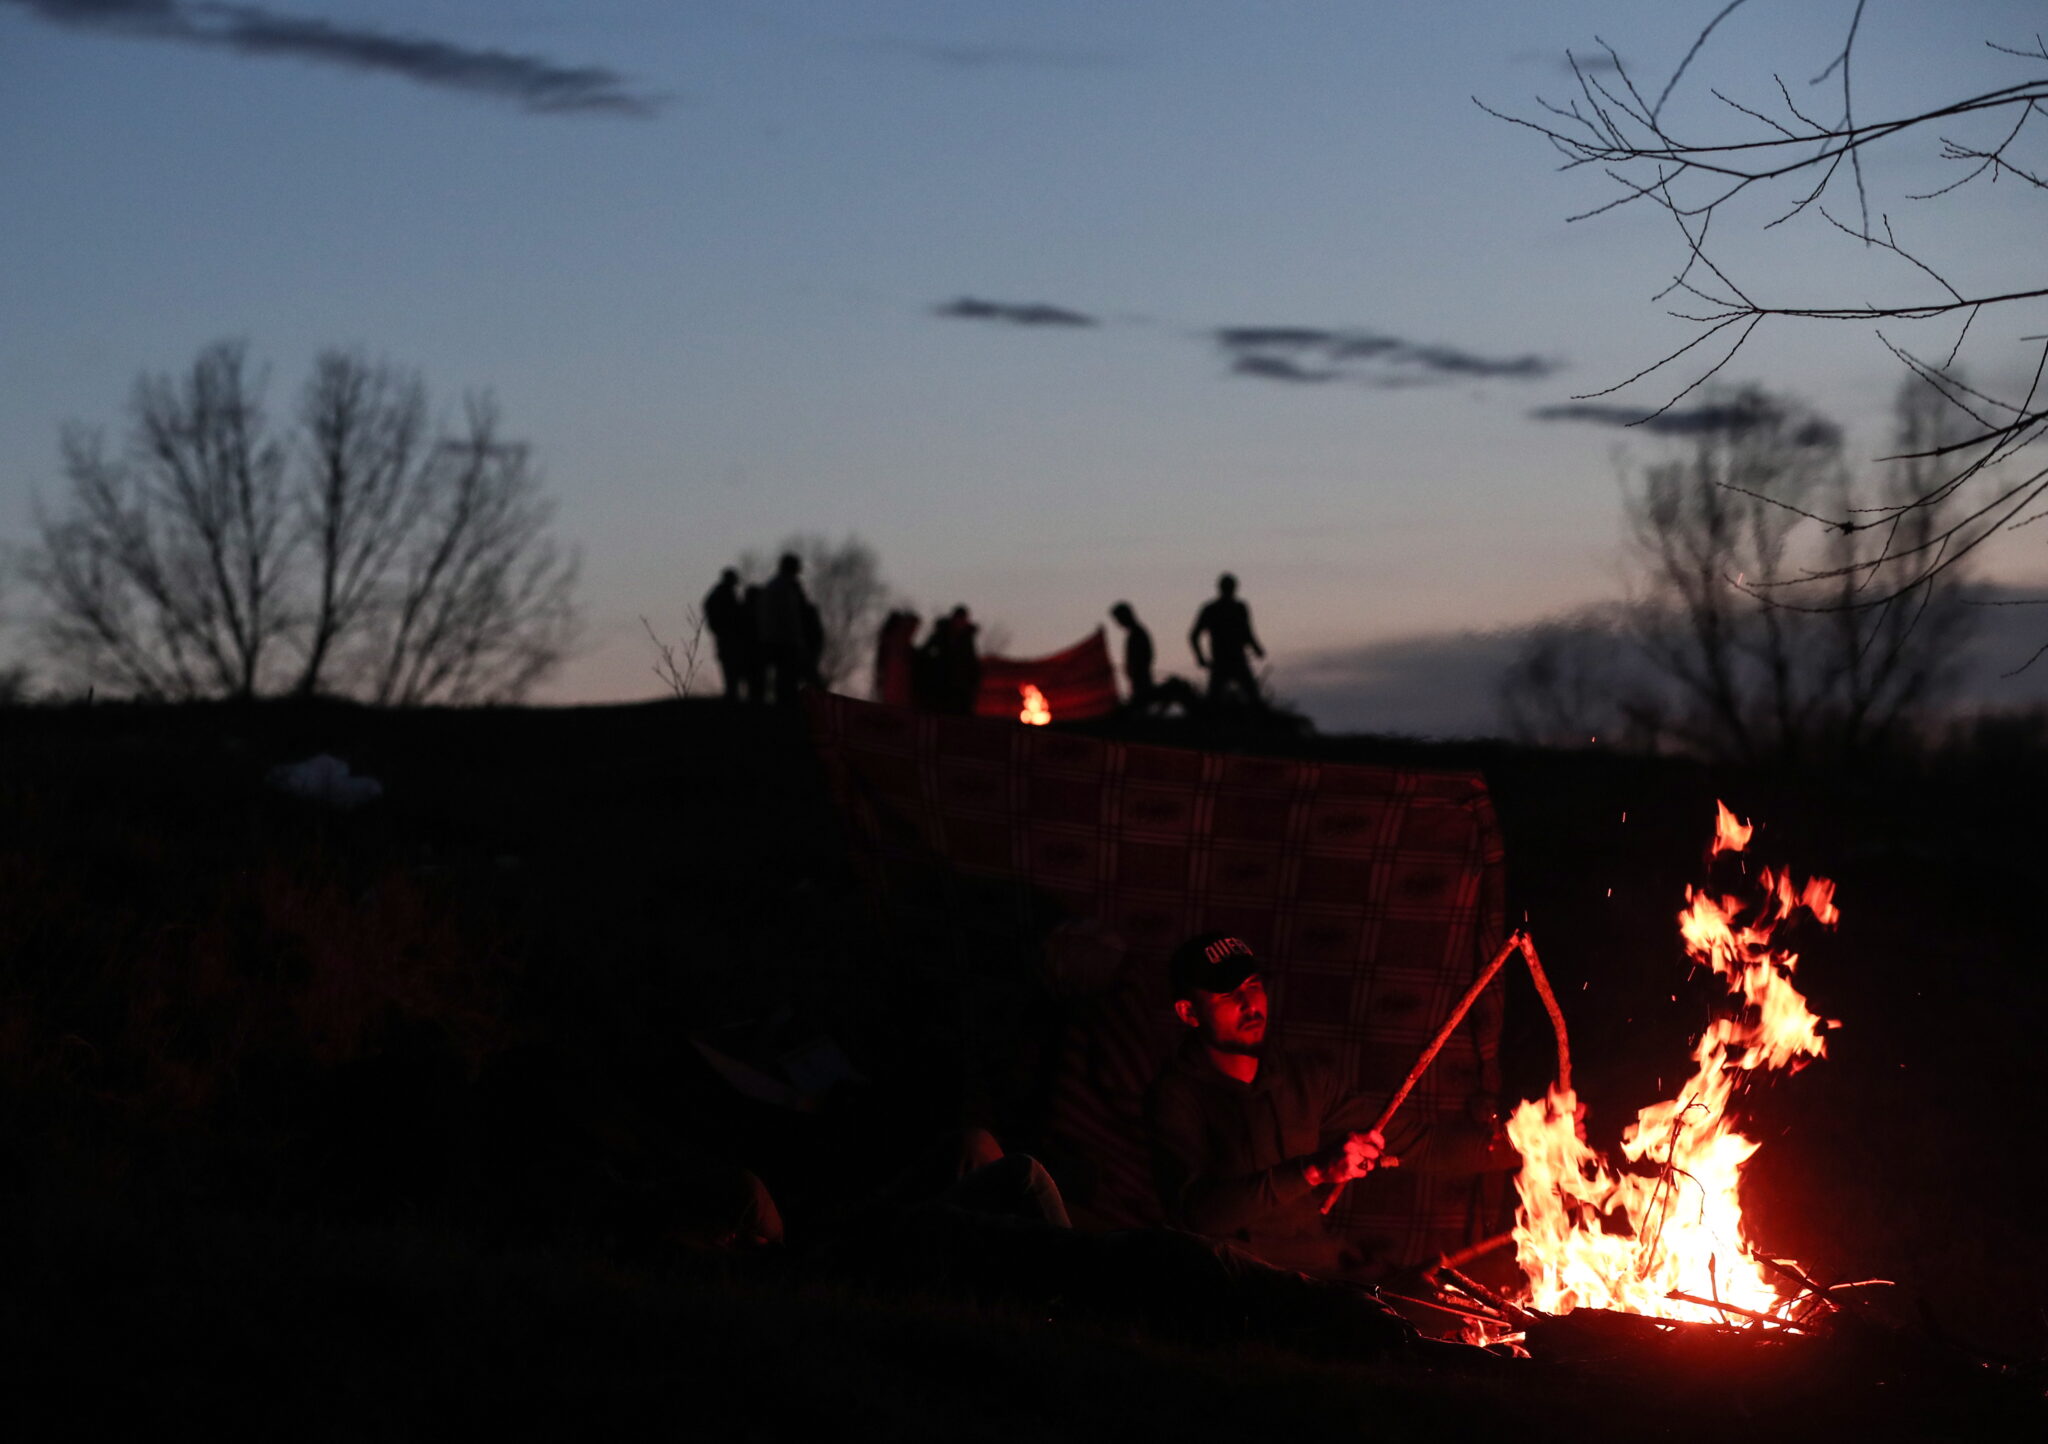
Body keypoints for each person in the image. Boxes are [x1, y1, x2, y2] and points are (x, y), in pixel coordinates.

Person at [1188, 573, 1265, 706]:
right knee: (1214, 702)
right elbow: (1194, 635)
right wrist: (1200, 657)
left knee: (1253, 699)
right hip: (1222, 661)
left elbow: (1247, 632)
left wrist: (1256, 648)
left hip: (1236, 660)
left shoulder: (1238, 608)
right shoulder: (1213, 609)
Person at [757, 552, 818, 706]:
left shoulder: (776, 586)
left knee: (786, 677)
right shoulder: (785, 587)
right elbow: (790, 616)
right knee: (787, 678)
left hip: (777, 639)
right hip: (784, 640)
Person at [702, 568, 754, 702]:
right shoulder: (723, 595)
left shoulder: (719, 595)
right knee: (734, 679)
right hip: (730, 643)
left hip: (728, 642)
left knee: (733, 679)